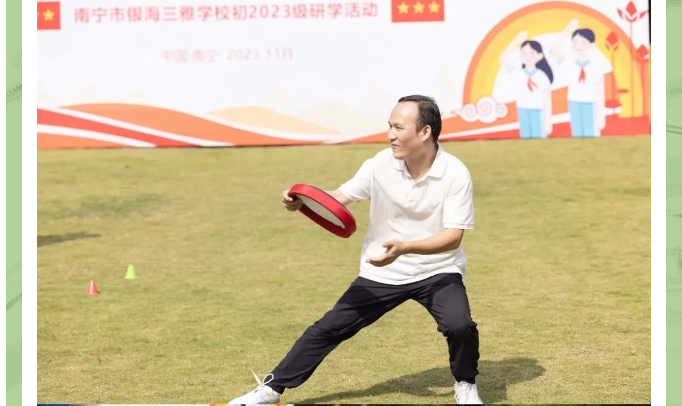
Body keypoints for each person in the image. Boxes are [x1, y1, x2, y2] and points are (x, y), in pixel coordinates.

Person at [228, 95, 483, 405]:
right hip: (382, 269)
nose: (390, 135)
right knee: (328, 329)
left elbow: (453, 237)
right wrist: (302, 200)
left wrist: (405, 247)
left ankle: (465, 384)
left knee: (460, 325)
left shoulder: (454, 173)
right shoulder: (379, 164)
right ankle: (271, 390)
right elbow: (338, 198)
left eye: (398, 128)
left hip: (438, 269)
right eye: (389, 126)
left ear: (425, 132)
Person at [552, 20, 613, 137]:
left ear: (592, 45)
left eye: (583, 43)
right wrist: (567, 30)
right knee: (577, 134)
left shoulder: (595, 66)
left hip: (591, 103)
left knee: (591, 134)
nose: (578, 46)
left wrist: (601, 117)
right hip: (574, 102)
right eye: (575, 42)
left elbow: (599, 91)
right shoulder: (569, 63)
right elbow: (554, 50)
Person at [500, 31, 554, 139]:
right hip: (522, 109)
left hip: (538, 110)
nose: (527, 56)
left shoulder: (541, 76)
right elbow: (503, 59)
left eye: (532, 53)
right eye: (524, 53)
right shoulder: (518, 73)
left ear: (540, 56)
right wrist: (516, 41)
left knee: (539, 139)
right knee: (525, 138)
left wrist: (548, 122)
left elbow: (547, 100)